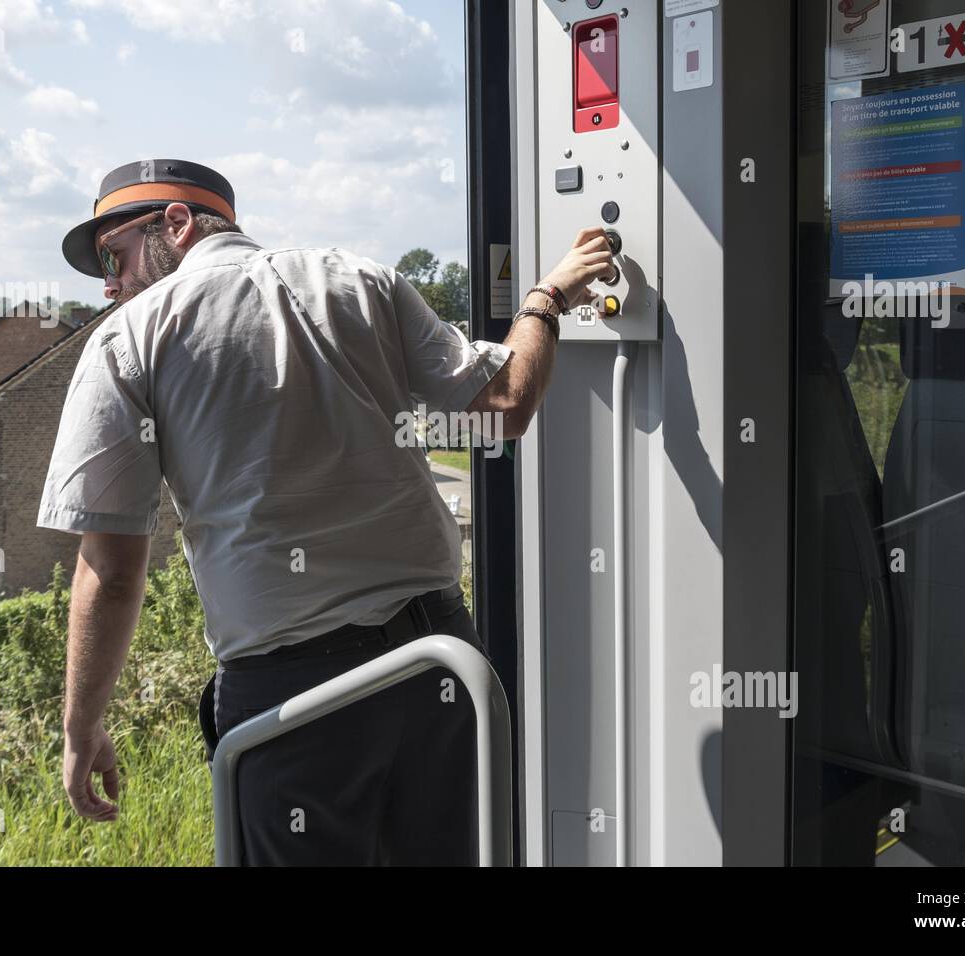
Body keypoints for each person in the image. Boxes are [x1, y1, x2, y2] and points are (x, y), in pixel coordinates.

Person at [39, 158, 613, 864]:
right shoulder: (357, 280)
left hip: (293, 701)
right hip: (438, 669)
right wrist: (546, 297)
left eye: (113, 253)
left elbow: (114, 567)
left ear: (178, 224)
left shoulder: (128, 341)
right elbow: (503, 405)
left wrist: (81, 726)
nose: (109, 282)